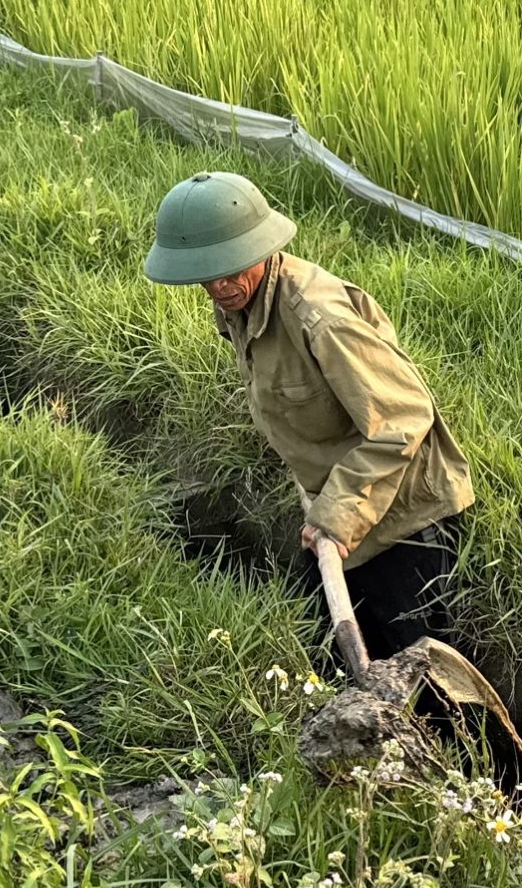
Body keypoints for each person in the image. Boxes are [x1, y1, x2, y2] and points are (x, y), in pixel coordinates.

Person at [143, 171, 474, 658]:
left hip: (403, 518)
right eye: (207, 273)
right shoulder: (240, 302)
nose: (220, 285)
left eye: (231, 269)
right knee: (331, 652)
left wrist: (336, 516)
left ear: (259, 250)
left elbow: (402, 420)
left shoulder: (319, 319)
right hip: (338, 506)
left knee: (422, 671)